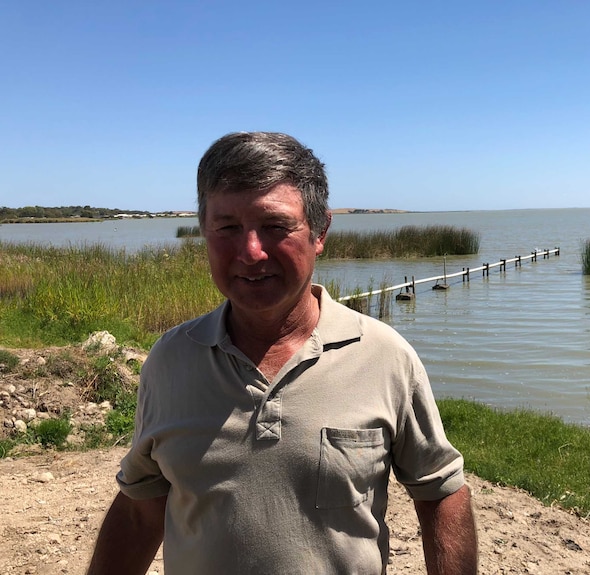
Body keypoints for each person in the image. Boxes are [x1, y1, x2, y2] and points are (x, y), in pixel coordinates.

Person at [87, 132, 478, 574]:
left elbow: (440, 490)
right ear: (204, 231)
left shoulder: (384, 356)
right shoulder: (171, 360)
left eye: (275, 227)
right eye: (227, 227)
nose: (251, 252)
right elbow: (141, 508)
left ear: (320, 232)